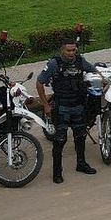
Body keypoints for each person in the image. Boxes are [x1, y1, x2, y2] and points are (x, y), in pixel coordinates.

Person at [37, 38, 97, 183]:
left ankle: (81, 164)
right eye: (68, 50)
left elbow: (93, 70)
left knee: (80, 137)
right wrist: (45, 105)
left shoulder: (80, 61)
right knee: (59, 140)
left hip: (78, 106)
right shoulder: (54, 64)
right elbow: (39, 83)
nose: (71, 53)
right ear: (62, 50)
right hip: (62, 107)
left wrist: (103, 79)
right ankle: (57, 172)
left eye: (74, 50)